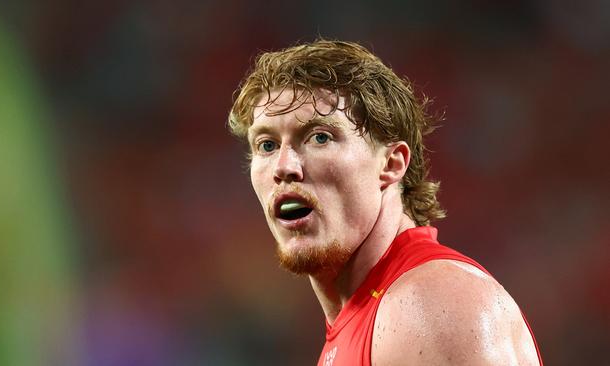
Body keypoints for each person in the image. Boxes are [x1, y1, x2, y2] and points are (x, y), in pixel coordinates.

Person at [228, 39, 542, 366]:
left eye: (319, 137)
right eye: (266, 145)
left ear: (391, 164)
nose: (284, 166)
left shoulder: (429, 305)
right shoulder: (367, 320)